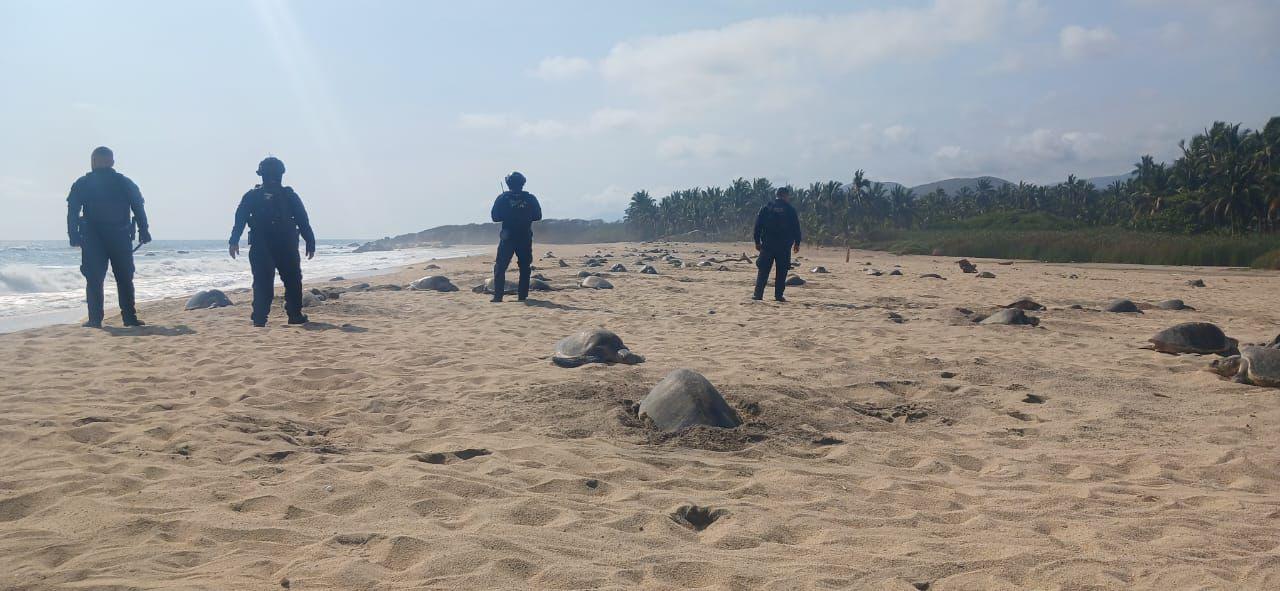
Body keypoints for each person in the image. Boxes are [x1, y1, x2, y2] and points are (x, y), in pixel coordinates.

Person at [66, 146, 151, 328]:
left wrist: (73, 235)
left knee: (96, 279)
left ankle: (96, 320)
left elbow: (72, 211)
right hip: (116, 236)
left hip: (97, 238)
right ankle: (128, 318)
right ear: (111, 162)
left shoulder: (84, 183)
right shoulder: (124, 182)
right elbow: (138, 207)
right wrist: (144, 230)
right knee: (123, 278)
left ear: (94, 162)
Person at [228, 157, 316, 327]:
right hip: (284, 245)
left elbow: (240, 220)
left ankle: (261, 318)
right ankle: (293, 315)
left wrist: (234, 240)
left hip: (264, 246)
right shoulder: (288, 195)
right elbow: (303, 221)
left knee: (264, 283)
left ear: (260, 175)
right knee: (291, 281)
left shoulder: (253, 196)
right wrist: (310, 242)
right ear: (281, 174)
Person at [489, 171, 542, 302]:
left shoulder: (502, 198)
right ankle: (522, 296)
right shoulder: (530, 198)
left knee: (500, 266)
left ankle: (498, 296)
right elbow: (538, 216)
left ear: (508, 184)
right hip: (525, 236)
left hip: (508, 236)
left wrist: (508, 215)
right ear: (523, 183)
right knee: (524, 267)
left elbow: (495, 217)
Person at [752, 186, 802, 302]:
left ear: (777, 195)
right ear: (785, 196)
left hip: (768, 245)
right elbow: (796, 227)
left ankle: (758, 294)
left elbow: (758, 226)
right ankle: (778, 296)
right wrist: (797, 243)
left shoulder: (766, 208)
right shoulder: (790, 209)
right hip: (784, 246)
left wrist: (757, 241)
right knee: (782, 271)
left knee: (763, 270)